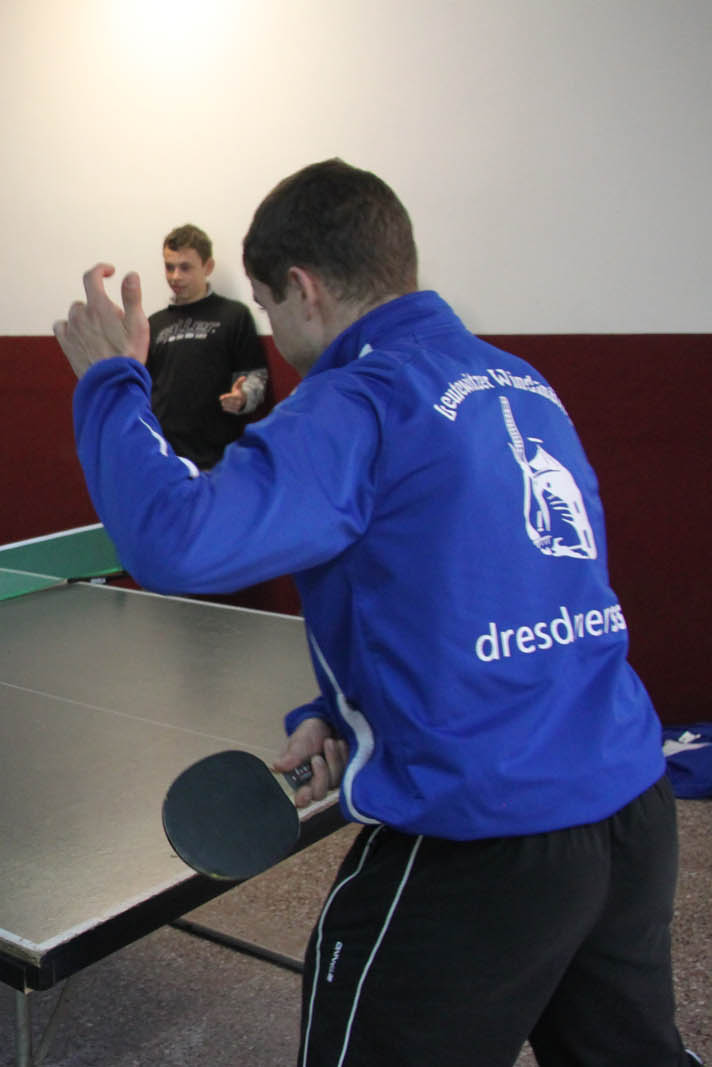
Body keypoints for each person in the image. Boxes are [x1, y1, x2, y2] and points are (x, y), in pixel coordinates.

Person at [54, 160, 695, 1065]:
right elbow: (500, 584)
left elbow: (174, 540)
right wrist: (343, 709)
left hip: (484, 836)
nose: (274, 335)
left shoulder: (356, 399)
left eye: (268, 310)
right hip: (632, 806)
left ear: (304, 288)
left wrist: (110, 381)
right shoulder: (520, 382)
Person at [145, 224, 268, 469]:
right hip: (165, 458)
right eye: (169, 267)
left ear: (207, 267)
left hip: (217, 458)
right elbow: (145, 386)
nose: (175, 277)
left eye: (185, 267)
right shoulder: (154, 324)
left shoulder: (233, 315)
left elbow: (256, 376)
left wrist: (243, 397)